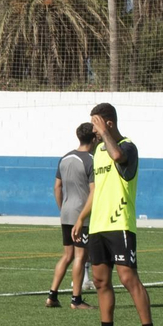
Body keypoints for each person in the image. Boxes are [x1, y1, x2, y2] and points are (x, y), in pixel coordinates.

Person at [72, 102, 159, 326]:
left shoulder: (127, 146)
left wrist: (107, 134)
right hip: (98, 226)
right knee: (100, 281)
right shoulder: (98, 151)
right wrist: (81, 218)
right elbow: (96, 189)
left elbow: (118, 157)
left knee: (128, 278)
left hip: (120, 223)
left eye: (97, 124)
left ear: (109, 123)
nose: (94, 130)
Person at [47, 122, 95, 310]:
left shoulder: (65, 158)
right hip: (81, 213)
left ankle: (52, 295)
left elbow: (57, 187)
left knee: (67, 255)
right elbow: (94, 191)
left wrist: (62, 208)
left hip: (66, 212)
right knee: (80, 256)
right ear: (94, 138)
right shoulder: (91, 159)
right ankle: (76, 299)